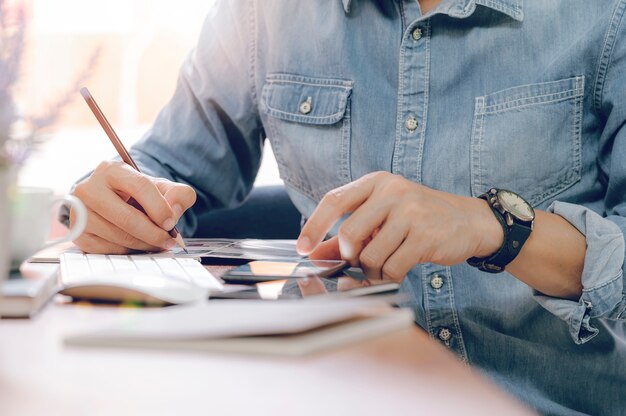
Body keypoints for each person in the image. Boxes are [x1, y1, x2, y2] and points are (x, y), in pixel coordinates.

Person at [62, 0, 626, 414]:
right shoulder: (263, 15)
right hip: (327, 394)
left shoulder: (606, 17)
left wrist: (495, 228)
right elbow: (166, 166)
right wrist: (109, 199)